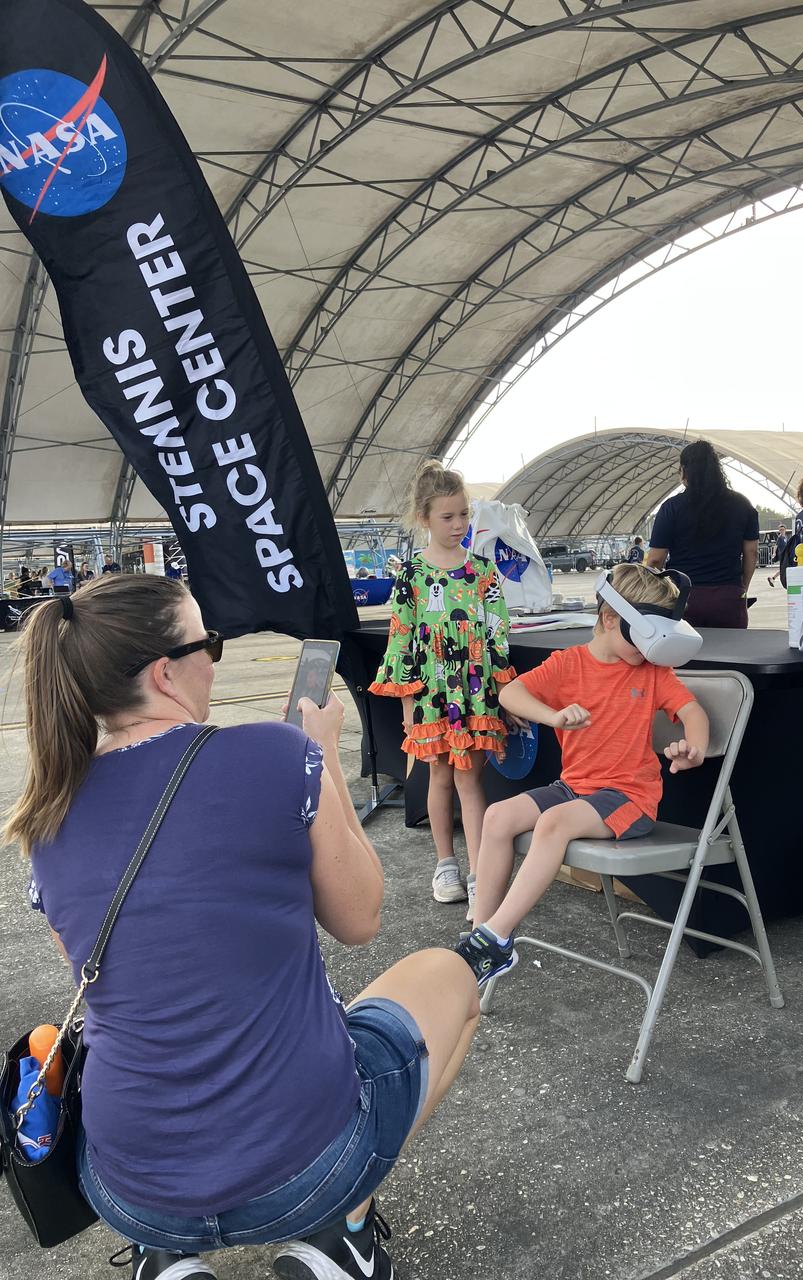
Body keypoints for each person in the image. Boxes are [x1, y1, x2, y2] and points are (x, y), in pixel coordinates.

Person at [6, 575, 479, 1280]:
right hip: (302, 1170)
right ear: (167, 670)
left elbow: (94, 965)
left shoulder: (45, 815)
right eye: (210, 643)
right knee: (451, 977)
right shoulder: (275, 754)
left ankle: (166, 1254)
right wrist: (320, 761)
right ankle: (342, 1234)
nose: (215, 659)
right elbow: (361, 919)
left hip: (128, 1190)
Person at [456, 563, 709, 987]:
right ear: (611, 620)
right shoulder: (568, 665)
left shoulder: (652, 672)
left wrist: (694, 747)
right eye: (645, 636)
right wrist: (553, 715)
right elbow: (511, 693)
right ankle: (481, 942)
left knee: (553, 823)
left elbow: (692, 712)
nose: (651, 649)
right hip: (575, 789)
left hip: (629, 798)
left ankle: (496, 938)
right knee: (497, 817)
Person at [369, 460, 514, 920]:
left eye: (464, 515)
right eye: (447, 517)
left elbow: (498, 636)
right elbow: (401, 639)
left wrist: (503, 694)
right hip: (431, 694)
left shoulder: (484, 572)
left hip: (474, 694)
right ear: (424, 518)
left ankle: (478, 873)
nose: (458, 525)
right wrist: (408, 702)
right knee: (438, 776)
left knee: (471, 779)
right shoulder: (411, 575)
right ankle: (444, 866)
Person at [646, 439, 759, 628]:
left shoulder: (671, 508)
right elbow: (752, 552)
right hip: (728, 597)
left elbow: (656, 560)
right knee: (733, 655)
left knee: (684, 656)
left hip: (683, 598)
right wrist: (741, 589)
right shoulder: (742, 504)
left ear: (683, 471)